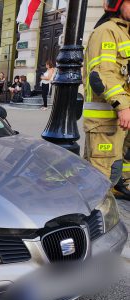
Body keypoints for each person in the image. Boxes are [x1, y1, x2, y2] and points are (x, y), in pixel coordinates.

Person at [82, 0, 130, 199]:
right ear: (117, 3)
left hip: (122, 116)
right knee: (102, 173)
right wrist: (124, 106)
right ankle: (93, 214)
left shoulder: (125, 33)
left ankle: (121, 188)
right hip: (106, 119)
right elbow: (103, 74)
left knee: (123, 162)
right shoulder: (107, 31)